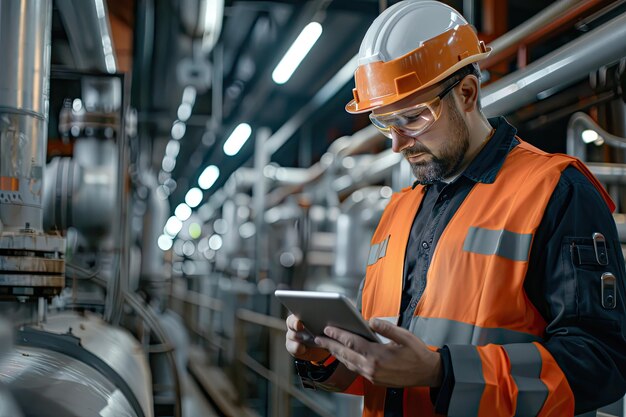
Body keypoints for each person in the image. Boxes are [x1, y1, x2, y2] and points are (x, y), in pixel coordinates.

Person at [284, 1, 626, 416]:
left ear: (466, 92)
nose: (397, 143)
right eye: (386, 124)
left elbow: (602, 363)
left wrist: (442, 372)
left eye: (412, 118)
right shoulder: (398, 210)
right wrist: (325, 353)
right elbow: (385, 371)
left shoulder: (556, 191)